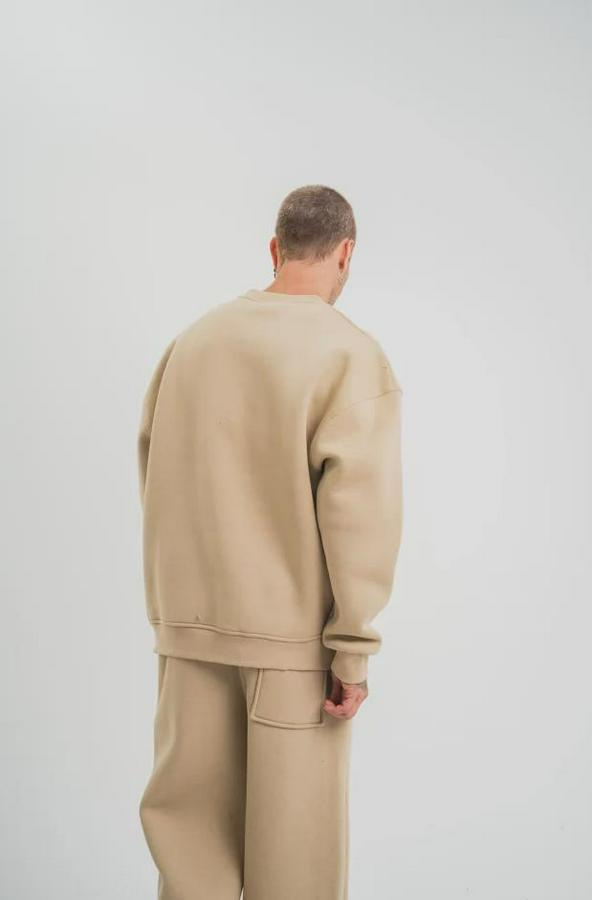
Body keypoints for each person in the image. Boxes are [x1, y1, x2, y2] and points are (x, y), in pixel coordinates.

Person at [137, 184, 404, 900]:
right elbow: (360, 517)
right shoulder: (348, 356)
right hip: (293, 658)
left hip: (189, 641)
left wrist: (179, 609)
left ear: (275, 248)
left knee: (191, 865)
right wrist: (352, 651)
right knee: (294, 872)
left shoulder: (193, 343)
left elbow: (155, 473)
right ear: (345, 253)